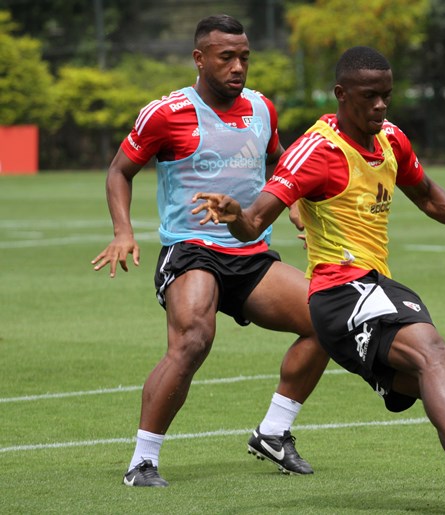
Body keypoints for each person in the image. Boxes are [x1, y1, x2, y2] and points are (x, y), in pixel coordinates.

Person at [192, 46, 445, 515]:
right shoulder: (315, 151)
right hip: (341, 293)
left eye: (387, 95)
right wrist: (235, 215)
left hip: (369, 288)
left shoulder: (390, 138)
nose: (381, 106)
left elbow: (425, 193)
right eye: (370, 96)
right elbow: (256, 220)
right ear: (342, 94)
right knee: (435, 353)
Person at [91, 14, 330, 487]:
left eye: (244, 57)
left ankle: (274, 432)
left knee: (329, 318)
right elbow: (120, 170)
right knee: (193, 340)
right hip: (191, 250)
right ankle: (143, 462)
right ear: (200, 59)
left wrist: (298, 207)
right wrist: (123, 231)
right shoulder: (166, 113)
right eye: (226, 57)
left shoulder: (263, 108)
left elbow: (280, 162)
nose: (238, 66)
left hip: (251, 252)